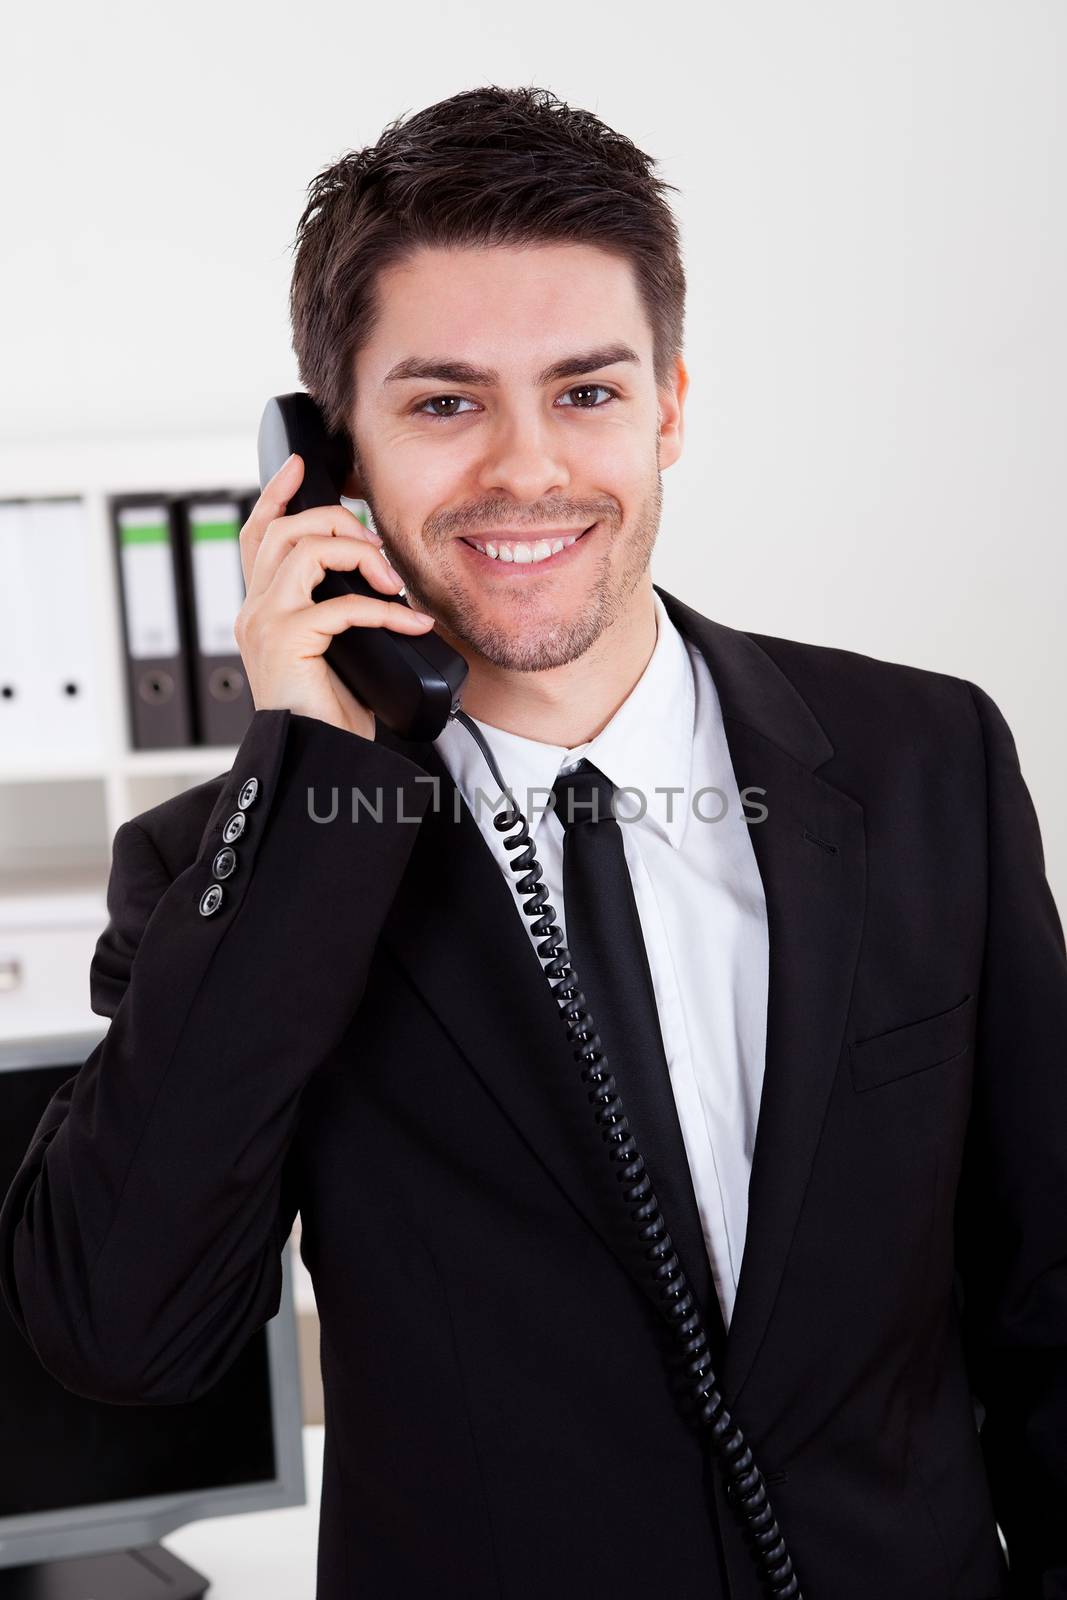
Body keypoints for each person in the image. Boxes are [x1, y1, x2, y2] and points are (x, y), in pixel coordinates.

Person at [2, 84, 1064, 1600]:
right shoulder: (232, 866)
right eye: (444, 402)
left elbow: (1050, 1291)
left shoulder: (923, 761)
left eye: (586, 391)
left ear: (671, 407)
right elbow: (122, 1334)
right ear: (324, 459)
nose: (526, 471)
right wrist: (309, 777)